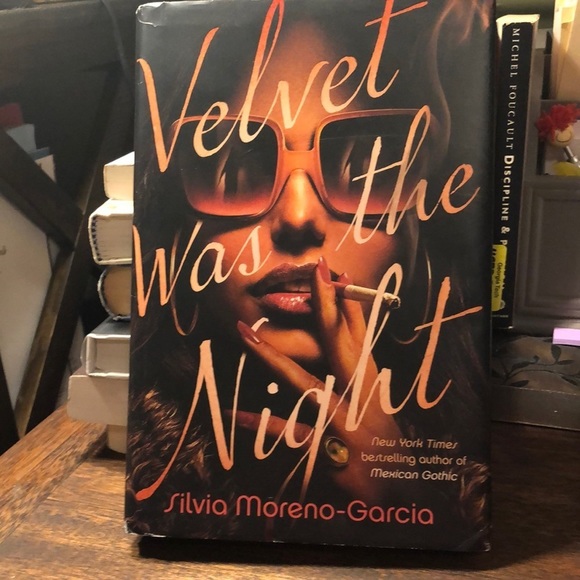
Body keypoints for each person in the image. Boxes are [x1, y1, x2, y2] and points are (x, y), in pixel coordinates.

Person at [127, 0, 492, 549]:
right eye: (236, 163)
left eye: (364, 165)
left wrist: (407, 492)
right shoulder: (153, 480)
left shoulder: (477, 445)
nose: (298, 218)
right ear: (174, 212)